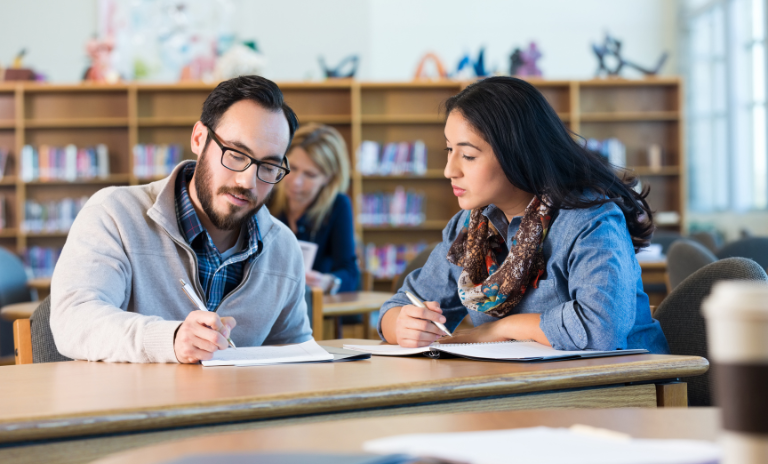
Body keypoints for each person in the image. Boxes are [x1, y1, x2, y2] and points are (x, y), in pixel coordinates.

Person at [379, 77, 669, 354]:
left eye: (467, 155)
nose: (449, 170)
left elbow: (600, 329)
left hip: (625, 387)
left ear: (516, 153)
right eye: (449, 150)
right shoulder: (470, 229)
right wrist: (402, 325)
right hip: (528, 389)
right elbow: (398, 305)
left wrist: (498, 330)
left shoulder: (590, 220)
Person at [50, 75, 313, 364]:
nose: (247, 181)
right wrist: (171, 339)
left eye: (269, 166)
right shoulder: (114, 213)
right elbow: (73, 321)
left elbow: (294, 353)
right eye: (237, 154)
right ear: (199, 139)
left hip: (237, 407)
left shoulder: (283, 248)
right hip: (133, 405)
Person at [269, 123, 359, 294]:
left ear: (328, 178)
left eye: (310, 174)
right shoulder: (267, 196)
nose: (296, 181)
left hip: (314, 307)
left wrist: (328, 282)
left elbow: (349, 272)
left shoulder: (338, 205)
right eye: (292, 168)